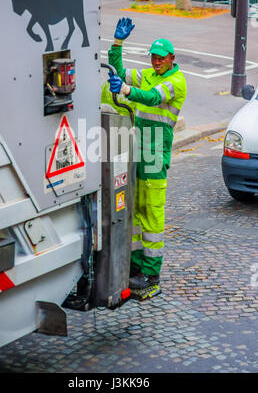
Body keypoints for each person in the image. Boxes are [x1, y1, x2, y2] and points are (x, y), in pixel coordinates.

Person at [107, 17, 187, 301]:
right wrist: (117, 44)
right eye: (153, 57)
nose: (155, 62)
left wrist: (126, 90)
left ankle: (152, 277)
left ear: (171, 59)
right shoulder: (149, 73)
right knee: (136, 213)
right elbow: (118, 71)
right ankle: (137, 268)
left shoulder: (176, 82)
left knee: (151, 214)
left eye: (160, 58)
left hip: (154, 155)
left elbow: (152, 98)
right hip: (138, 151)